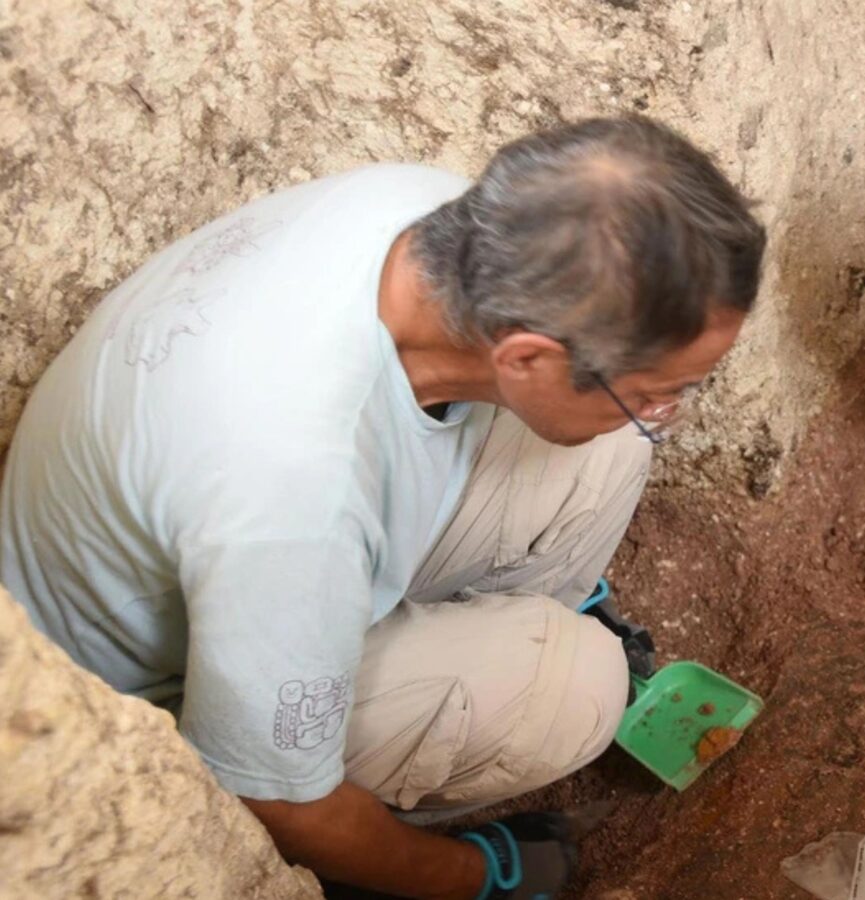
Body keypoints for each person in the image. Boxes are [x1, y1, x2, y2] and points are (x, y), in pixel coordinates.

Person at [0, 115, 765, 899]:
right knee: (577, 689)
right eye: (659, 395)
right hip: (167, 689)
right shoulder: (295, 491)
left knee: (610, 440)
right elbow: (280, 800)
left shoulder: (418, 211)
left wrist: (633, 404)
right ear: (527, 358)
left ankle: (509, 637)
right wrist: (479, 875)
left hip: (244, 566)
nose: (672, 409)